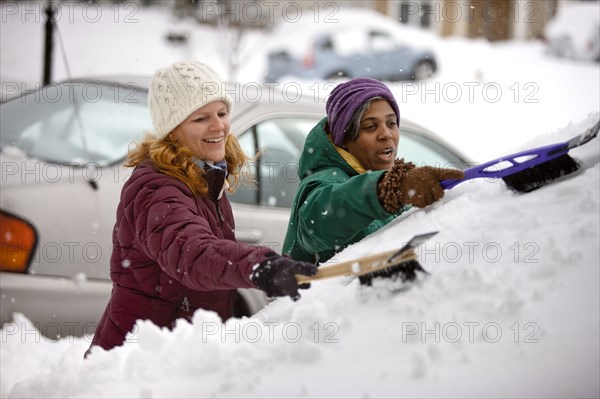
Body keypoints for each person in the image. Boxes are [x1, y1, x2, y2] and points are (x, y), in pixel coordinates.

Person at [86, 61, 317, 354]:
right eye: (201, 118)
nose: (219, 126)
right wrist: (260, 266)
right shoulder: (156, 189)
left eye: (222, 113)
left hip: (173, 355)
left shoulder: (206, 179)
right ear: (172, 131)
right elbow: (192, 253)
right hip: (135, 362)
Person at [283, 78, 465, 264]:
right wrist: (392, 189)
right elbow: (321, 221)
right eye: (370, 126)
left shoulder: (388, 179)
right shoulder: (323, 181)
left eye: (392, 123)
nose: (386, 134)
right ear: (344, 138)